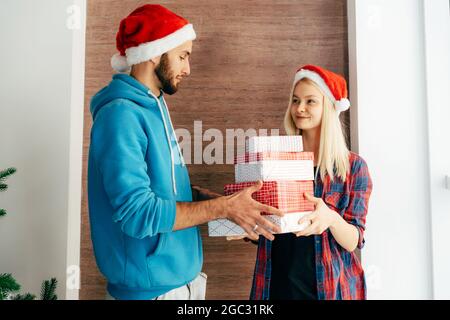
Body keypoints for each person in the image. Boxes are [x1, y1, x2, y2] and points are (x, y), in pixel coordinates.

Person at [87, 4, 283, 300]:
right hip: (150, 293)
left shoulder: (153, 106)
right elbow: (138, 214)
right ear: (154, 53)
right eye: (182, 56)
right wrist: (224, 208)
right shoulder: (121, 116)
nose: (187, 68)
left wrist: (224, 203)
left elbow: (162, 190)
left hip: (179, 284)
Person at [248, 65, 373, 300]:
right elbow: (271, 225)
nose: (300, 108)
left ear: (328, 106)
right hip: (275, 287)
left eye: (310, 101)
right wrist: (249, 226)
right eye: (295, 101)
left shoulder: (353, 168)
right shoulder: (276, 160)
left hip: (328, 290)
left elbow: (354, 240)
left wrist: (331, 219)